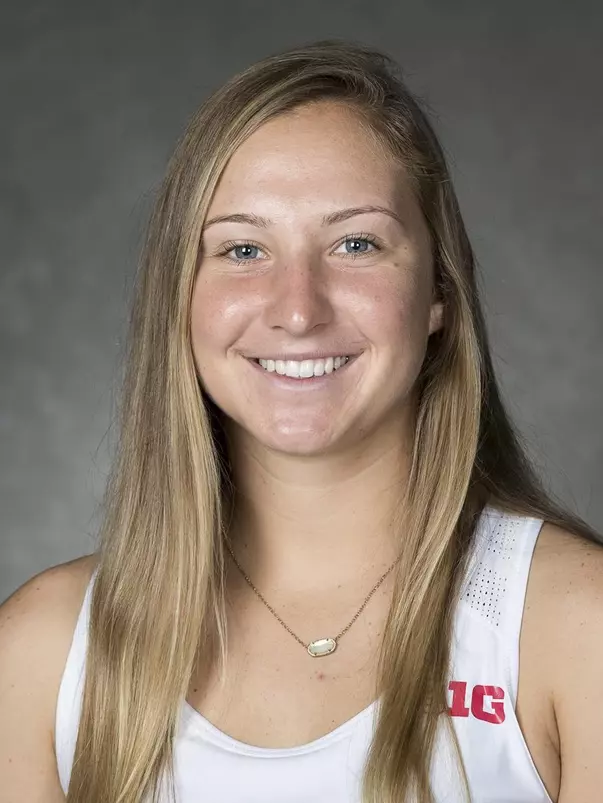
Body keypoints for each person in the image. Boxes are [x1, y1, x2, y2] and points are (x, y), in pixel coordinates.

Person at [1, 39, 602, 803]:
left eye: (356, 243)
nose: (296, 308)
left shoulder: (577, 631)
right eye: (243, 248)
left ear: (437, 291)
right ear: (178, 297)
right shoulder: (41, 654)